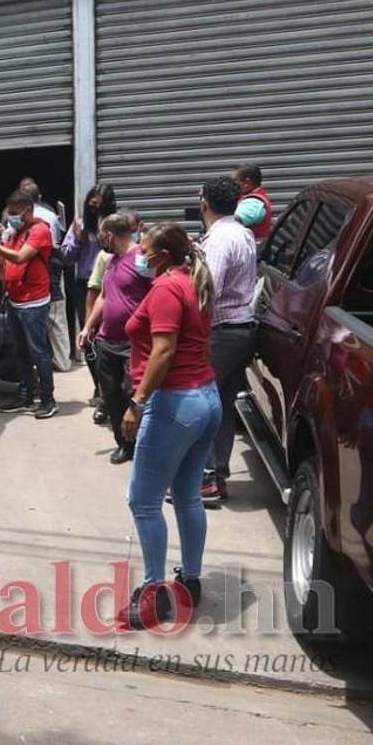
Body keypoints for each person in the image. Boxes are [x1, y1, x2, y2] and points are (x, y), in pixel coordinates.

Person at [118, 223, 221, 629]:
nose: (138, 255)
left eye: (143, 249)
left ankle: (153, 595)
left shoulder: (165, 288)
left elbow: (163, 350)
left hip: (175, 402)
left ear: (161, 256)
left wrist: (137, 402)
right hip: (206, 397)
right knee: (187, 495)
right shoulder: (193, 280)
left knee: (143, 501)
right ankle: (190, 582)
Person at [198, 176, 256, 505]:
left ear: (204, 203)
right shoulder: (241, 232)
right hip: (239, 330)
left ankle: (206, 478)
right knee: (221, 405)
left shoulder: (220, 240)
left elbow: (209, 292)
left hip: (221, 333)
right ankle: (215, 476)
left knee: (203, 404)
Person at [78, 213, 152, 464]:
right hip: (106, 340)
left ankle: (143, 445)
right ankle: (125, 444)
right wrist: (88, 326)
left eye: (102, 235)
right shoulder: (111, 261)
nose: (101, 239)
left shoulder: (142, 259)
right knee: (111, 395)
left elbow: (156, 291)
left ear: (110, 234)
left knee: (133, 393)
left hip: (133, 342)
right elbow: (104, 296)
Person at [0, 190, 57, 419]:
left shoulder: (40, 230)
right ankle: (25, 396)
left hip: (34, 301)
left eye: (15, 213)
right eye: (10, 213)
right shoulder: (16, 233)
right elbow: (2, 264)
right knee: (20, 351)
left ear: (28, 210)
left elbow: (19, 257)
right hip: (15, 299)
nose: (12, 217)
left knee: (39, 352)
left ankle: (48, 399)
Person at [18, 179, 70, 372]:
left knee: (34, 315)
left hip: (32, 272)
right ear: (39, 197)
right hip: (51, 269)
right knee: (56, 318)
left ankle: (37, 361)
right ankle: (62, 361)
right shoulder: (50, 216)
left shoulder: (21, 218)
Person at [63, 183, 117, 348]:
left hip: (112, 280)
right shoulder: (80, 225)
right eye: (93, 204)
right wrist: (78, 240)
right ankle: (92, 355)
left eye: (100, 205)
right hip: (86, 283)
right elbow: (67, 257)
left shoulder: (116, 226)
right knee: (87, 325)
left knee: (110, 324)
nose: (95, 208)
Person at [231, 163, 273, 241]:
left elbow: (230, 222)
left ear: (247, 182)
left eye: (234, 181)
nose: (231, 184)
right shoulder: (245, 198)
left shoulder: (253, 203)